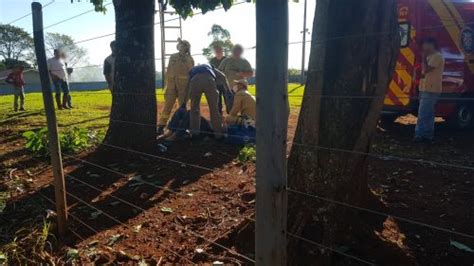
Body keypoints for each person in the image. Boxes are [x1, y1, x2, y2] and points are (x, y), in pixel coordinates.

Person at [157, 39, 195, 135]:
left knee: (182, 107)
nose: (180, 47)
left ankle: (180, 127)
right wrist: (167, 86)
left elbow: (191, 72)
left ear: (186, 48)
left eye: (183, 45)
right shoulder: (173, 56)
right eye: (180, 45)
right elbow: (169, 71)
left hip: (184, 88)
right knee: (168, 106)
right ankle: (161, 125)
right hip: (171, 86)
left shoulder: (189, 59)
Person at [414, 38, 445, 143]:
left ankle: (419, 135)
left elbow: (426, 70)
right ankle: (427, 135)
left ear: (431, 44)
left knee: (422, 112)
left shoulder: (437, 56)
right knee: (429, 113)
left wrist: (423, 58)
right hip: (425, 88)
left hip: (431, 89)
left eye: (424, 44)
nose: (423, 47)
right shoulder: (430, 57)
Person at [189, 64, 231, 139]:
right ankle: (218, 134)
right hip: (209, 80)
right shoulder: (210, 67)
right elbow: (223, 76)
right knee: (214, 109)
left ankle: (195, 133)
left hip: (194, 81)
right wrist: (228, 90)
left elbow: (187, 83)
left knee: (194, 109)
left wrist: (186, 99)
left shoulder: (193, 69)